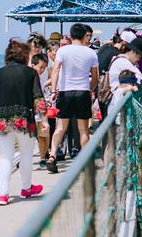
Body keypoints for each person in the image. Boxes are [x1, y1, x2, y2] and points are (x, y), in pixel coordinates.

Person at [0, 39, 46, 205]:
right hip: (24, 120)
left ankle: (3, 195)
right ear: (24, 55)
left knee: (5, 157)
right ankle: (26, 189)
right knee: (26, 155)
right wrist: (45, 118)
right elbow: (38, 98)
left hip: (2, 120)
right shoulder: (30, 73)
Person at [46, 23, 99, 173]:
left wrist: (54, 90)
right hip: (82, 91)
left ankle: (52, 156)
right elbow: (95, 77)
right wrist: (90, 89)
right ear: (84, 36)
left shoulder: (63, 50)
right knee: (83, 130)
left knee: (61, 127)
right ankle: (85, 160)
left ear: (70, 35)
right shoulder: (91, 53)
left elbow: (56, 70)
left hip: (65, 92)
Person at [30, 53, 50, 167]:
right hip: (32, 112)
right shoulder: (29, 77)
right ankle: (23, 158)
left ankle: (42, 157)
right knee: (29, 137)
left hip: (40, 112)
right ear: (33, 65)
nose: (42, 70)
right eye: (40, 67)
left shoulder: (41, 80)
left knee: (42, 136)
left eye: (44, 68)